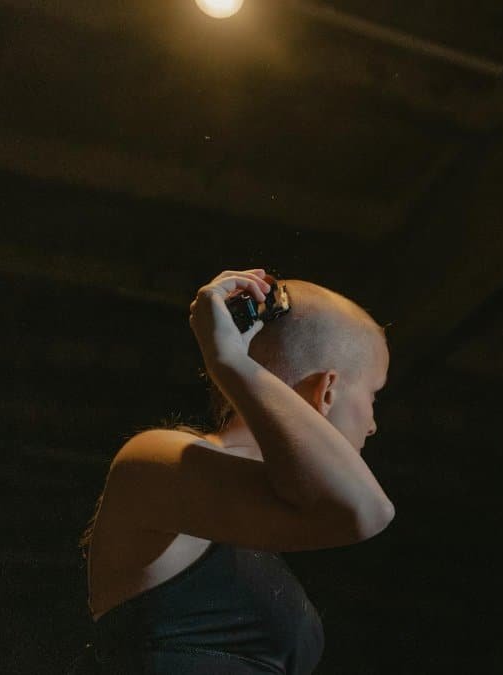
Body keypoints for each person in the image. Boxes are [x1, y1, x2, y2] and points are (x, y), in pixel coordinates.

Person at [73, 268, 394, 674]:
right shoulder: (154, 460)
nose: (372, 424)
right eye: (373, 395)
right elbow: (367, 511)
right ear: (327, 390)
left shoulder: (248, 519)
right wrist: (229, 361)